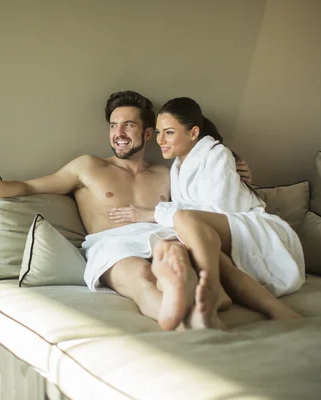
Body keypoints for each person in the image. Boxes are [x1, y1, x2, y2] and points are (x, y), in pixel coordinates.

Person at [0, 91, 252, 330]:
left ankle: (200, 306)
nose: (119, 133)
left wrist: (242, 179)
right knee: (141, 275)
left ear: (148, 133)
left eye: (128, 125)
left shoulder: (168, 174)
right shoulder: (87, 167)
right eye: (113, 125)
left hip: (161, 236)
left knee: (179, 259)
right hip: (112, 245)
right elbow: (28, 188)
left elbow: (205, 201)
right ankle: (176, 320)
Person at [110, 97, 304, 329]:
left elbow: (216, 211)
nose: (160, 140)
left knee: (183, 219)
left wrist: (152, 213)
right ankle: (277, 311)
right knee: (208, 254)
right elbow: (197, 221)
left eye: (169, 133)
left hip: (253, 228)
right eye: (160, 132)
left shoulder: (217, 154)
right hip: (219, 235)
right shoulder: (178, 167)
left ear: (193, 133)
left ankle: (210, 285)